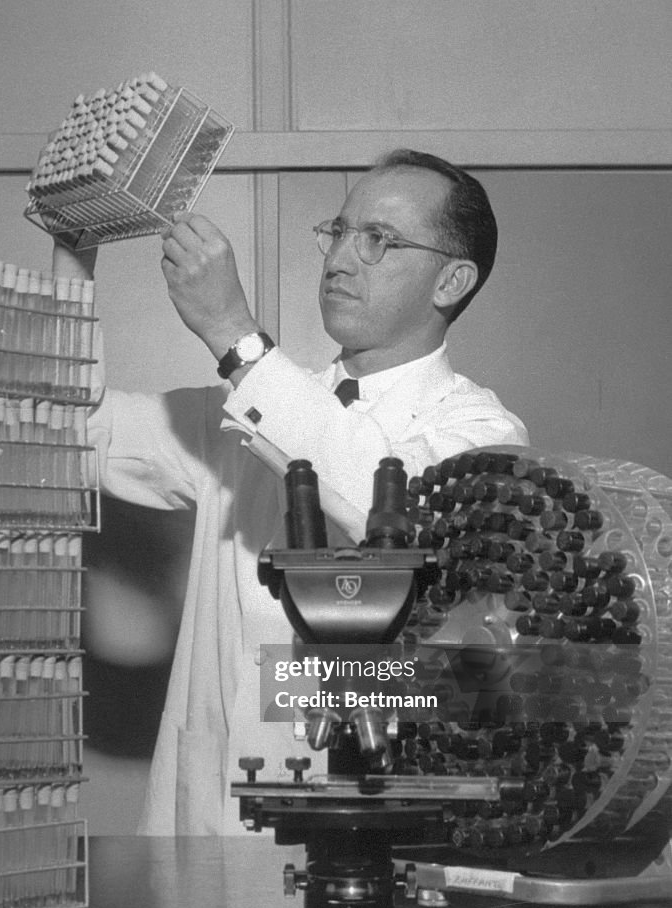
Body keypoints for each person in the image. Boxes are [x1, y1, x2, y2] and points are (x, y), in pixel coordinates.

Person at [55, 148, 529, 835]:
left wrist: (235, 337)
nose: (339, 259)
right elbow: (71, 430)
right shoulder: (249, 409)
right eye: (338, 232)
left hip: (353, 836)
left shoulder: (480, 431)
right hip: (202, 821)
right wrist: (76, 255)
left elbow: (385, 510)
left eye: (379, 241)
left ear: (450, 281)